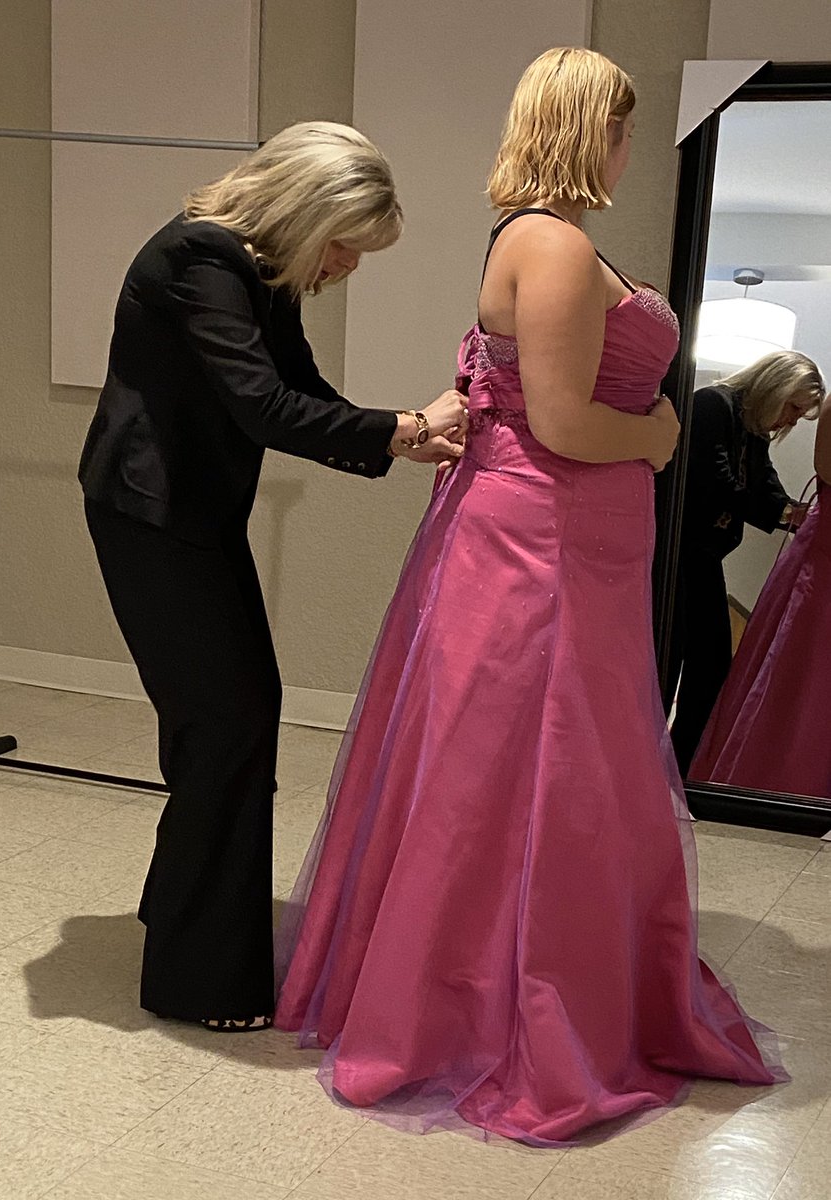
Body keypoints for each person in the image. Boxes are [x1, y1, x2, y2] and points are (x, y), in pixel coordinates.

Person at [274, 47, 785, 1147]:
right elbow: (560, 423)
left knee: (535, 769)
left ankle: (517, 985)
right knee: (531, 771)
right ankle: (503, 1009)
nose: (624, 144)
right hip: (542, 546)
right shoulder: (550, 244)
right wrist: (661, 435)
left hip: (556, 544)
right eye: (618, 124)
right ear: (583, 126)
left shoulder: (545, 241)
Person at [78, 122, 468, 1032]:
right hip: (150, 516)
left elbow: (306, 392)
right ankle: (194, 978)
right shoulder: (198, 259)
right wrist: (405, 428)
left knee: (223, 721)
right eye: (348, 242)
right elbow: (261, 406)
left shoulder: (257, 272)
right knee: (231, 720)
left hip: (192, 516)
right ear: (308, 213)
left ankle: (182, 915)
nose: (350, 264)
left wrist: (402, 437)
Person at [668, 353, 825, 776]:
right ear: (775, 386)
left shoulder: (747, 425)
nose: (788, 422)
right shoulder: (711, 405)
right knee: (674, 661)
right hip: (676, 557)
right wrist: (789, 516)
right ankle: (665, 767)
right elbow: (718, 481)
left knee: (710, 665)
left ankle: (679, 767)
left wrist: (795, 515)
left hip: (702, 556)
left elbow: (762, 480)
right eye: (792, 407)